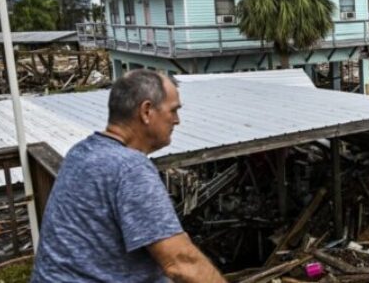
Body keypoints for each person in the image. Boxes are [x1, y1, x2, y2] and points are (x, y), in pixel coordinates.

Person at [32, 69, 225, 282]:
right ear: (146, 112)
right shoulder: (129, 168)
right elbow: (181, 262)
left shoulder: (81, 152)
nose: (177, 121)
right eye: (173, 111)